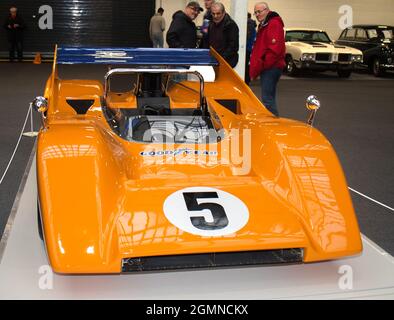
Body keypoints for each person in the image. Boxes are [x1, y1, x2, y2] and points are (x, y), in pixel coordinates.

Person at [249, 2, 285, 116]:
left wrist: (262, 65)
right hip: (269, 67)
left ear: (267, 10)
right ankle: (273, 123)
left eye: (259, 12)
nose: (257, 14)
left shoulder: (273, 24)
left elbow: (274, 49)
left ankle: (273, 125)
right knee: (269, 98)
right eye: (255, 13)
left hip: (271, 67)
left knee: (267, 100)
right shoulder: (265, 24)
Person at [203, 2, 239, 68]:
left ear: (223, 12)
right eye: (213, 14)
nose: (215, 16)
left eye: (218, 13)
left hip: (226, 61)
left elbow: (233, 47)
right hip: (211, 60)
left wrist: (220, 59)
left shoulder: (231, 25)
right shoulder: (207, 21)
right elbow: (205, 39)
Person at [245, 13, 257, 85]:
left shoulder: (248, 24)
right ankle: (248, 79)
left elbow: (246, 36)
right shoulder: (253, 25)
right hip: (250, 47)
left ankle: (246, 80)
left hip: (246, 48)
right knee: (248, 64)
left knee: (245, 65)